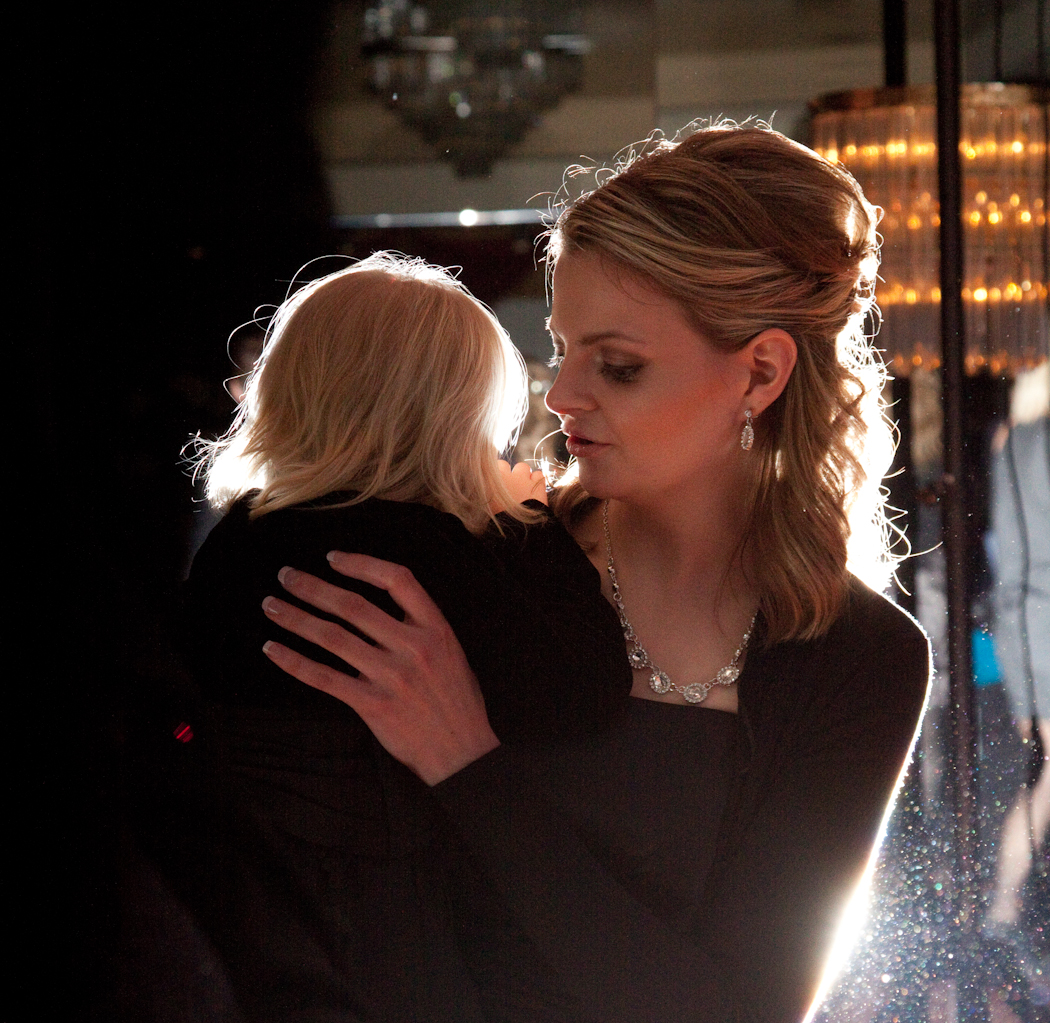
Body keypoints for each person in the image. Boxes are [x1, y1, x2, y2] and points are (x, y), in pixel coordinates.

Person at [263, 124, 932, 1023]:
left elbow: (741, 1013)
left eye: (618, 366)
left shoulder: (862, 659)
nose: (561, 393)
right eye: (564, 345)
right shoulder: (475, 561)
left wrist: (465, 763)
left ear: (761, 373)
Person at [170, 252, 631, 1022]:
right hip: (388, 939)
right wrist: (531, 525)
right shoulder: (420, 550)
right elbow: (580, 691)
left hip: (240, 913)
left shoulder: (235, 543)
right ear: (457, 417)